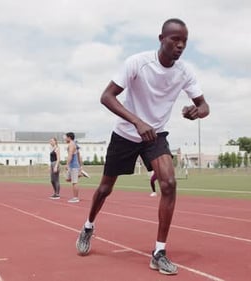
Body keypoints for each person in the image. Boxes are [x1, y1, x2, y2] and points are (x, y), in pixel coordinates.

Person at [75, 18, 210, 276]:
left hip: (155, 136)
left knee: (169, 184)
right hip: (126, 133)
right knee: (105, 189)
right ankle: (89, 226)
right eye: (175, 39)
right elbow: (106, 96)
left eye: (184, 41)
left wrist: (197, 111)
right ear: (161, 39)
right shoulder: (137, 63)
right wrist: (137, 122)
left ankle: (159, 252)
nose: (180, 45)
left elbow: (205, 105)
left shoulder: (184, 72)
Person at [65, 132, 82, 203]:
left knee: (74, 182)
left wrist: (67, 164)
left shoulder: (72, 144)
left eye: (66, 137)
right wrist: (81, 166)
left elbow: (70, 155)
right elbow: (79, 156)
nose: (65, 139)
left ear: (69, 137)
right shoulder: (75, 144)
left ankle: (76, 198)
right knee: (67, 179)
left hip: (73, 166)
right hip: (73, 166)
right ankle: (80, 174)